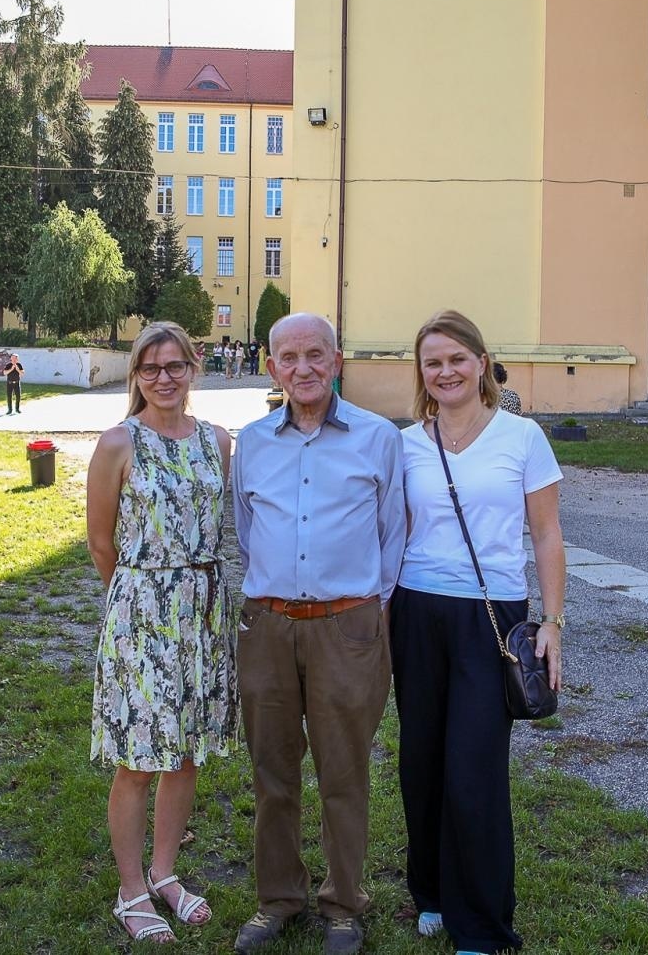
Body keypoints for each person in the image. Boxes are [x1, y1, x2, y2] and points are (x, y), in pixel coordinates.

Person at [231, 313, 406, 955]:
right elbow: (247, 531)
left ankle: (343, 903)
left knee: (343, 770)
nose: (301, 368)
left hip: (348, 627)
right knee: (271, 769)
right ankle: (278, 896)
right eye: (287, 357)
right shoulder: (250, 442)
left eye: (314, 355)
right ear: (271, 366)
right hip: (269, 626)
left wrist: (370, 610)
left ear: (336, 361)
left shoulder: (379, 437)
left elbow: (394, 532)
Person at [391, 311, 565, 953]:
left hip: (491, 616)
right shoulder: (407, 443)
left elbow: (546, 534)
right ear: (421, 373)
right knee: (421, 761)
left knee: (475, 767)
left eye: (456, 358)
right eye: (432, 362)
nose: (445, 371)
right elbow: (393, 535)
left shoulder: (522, 438)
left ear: (482, 361)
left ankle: (481, 921)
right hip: (415, 610)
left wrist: (552, 621)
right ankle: (432, 890)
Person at [87, 321, 235, 944]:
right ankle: (131, 891)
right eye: (150, 369)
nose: (164, 378)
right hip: (142, 612)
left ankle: (166, 872)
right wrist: (141, 603)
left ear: (193, 368)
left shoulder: (218, 441)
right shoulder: (119, 442)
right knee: (139, 760)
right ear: (136, 376)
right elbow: (100, 542)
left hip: (204, 612)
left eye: (174, 366)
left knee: (185, 754)